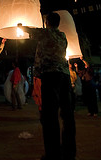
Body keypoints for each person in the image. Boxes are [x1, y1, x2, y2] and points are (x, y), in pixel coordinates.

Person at [19, 12, 76, 160]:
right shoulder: (62, 36)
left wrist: (20, 26)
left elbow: (30, 30)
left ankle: (53, 154)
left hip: (50, 76)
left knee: (50, 116)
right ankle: (69, 152)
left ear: (47, 22)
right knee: (67, 115)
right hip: (64, 76)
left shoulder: (45, 33)